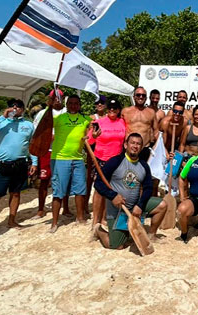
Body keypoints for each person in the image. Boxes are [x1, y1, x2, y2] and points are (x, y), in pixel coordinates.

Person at [92, 133, 167, 249]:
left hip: (135, 208)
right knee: (117, 246)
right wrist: (112, 196)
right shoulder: (115, 161)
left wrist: (140, 205)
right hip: (117, 211)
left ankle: (151, 234)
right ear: (126, 145)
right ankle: (99, 230)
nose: (135, 146)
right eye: (132, 143)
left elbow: (148, 188)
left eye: (138, 144)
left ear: (141, 147)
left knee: (162, 205)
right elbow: (98, 183)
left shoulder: (144, 165)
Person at [0, 98, 37, 235]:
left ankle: (12, 220)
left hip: (20, 163)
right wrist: (2, 116)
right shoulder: (2, 123)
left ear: (23, 109)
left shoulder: (28, 125)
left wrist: (34, 162)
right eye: (12, 106)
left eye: (18, 106)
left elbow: (32, 145)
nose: (15, 108)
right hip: (1, 164)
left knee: (16, 193)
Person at [35, 93, 91, 232]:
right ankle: (54, 223)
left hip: (78, 159)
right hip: (60, 158)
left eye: (76, 103)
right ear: (66, 105)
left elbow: (93, 130)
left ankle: (80, 217)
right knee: (59, 191)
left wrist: (94, 134)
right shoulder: (58, 118)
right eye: (70, 103)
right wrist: (49, 106)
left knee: (80, 190)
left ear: (80, 105)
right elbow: (43, 124)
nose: (73, 106)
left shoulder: (85, 119)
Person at [88, 98, 128, 229]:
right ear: (106, 109)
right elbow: (89, 142)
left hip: (116, 160)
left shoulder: (123, 122)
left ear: (118, 110)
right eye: (110, 108)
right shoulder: (98, 122)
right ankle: (95, 220)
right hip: (101, 160)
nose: (112, 110)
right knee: (99, 190)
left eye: (115, 108)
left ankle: (104, 218)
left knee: (111, 189)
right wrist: (93, 136)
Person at [32, 90, 66, 217]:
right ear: (50, 98)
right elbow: (36, 133)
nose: (57, 99)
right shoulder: (42, 113)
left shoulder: (66, 112)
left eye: (60, 97)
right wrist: (47, 137)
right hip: (47, 151)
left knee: (63, 180)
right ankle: (41, 209)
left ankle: (65, 207)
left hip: (62, 150)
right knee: (44, 180)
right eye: (54, 97)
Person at [121, 87, 156, 160]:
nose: (141, 97)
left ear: (146, 98)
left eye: (143, 95)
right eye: (138, 95)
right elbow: (119, 129)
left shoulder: (151, 112)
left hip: (144, 149)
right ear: (134, 97)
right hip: (129, 148)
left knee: (143, 171)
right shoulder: (125, 111)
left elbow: (156, 131)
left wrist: (155, 147)